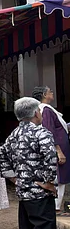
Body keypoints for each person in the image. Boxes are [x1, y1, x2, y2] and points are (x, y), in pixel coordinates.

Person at [0, 97, 70, 229]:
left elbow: (1, 156)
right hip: (40, 193)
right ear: (36, 113)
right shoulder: (41, 133)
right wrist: (48, 182)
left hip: (24, 194)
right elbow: (50, 159)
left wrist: (13, 178)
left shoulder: (15, 133)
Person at [32, 86, 70, 214]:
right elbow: (50, 130)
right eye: (50, 92)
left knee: (61, 177)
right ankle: (55, 206)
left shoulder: (47, 110)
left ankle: (56, 206)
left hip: (59, 147)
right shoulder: (46, 110)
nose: (52, 93)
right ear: (44, 95)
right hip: (57, 148)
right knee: (58, 177)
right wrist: (58, 150)